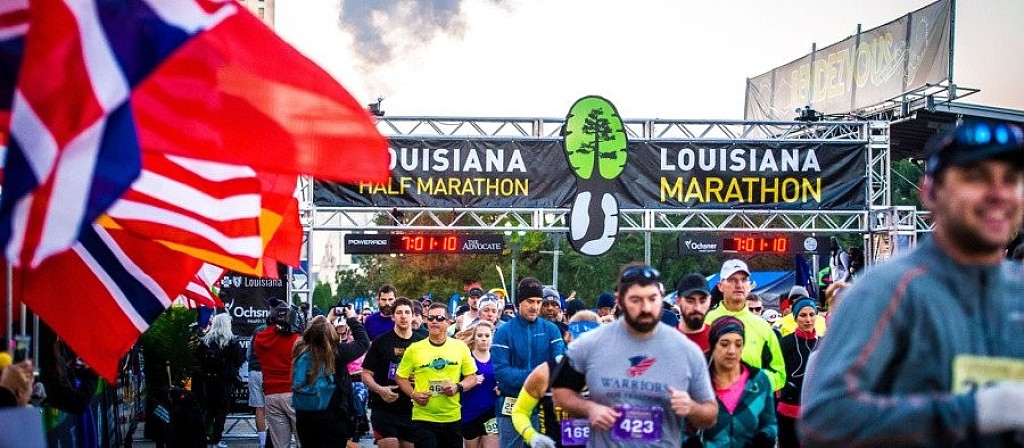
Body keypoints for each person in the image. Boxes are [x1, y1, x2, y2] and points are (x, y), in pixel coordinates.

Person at [800, 120, 1024, 446]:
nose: (999, 194)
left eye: (1012, 179)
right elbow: (825, 420)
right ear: (929, 192)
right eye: (976, 177)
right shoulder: (886, 291)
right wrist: (974, 411)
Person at [551, 264, 718, 447]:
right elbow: (560, 392)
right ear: (619, 301)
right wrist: (589, 409)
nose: (646, 308)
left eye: (652, 299)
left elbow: (710, 414)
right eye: (636, 300)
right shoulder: (590, 344)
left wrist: (692, 408)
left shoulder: (686, 350)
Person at [492, 277, 567, 448]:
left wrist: (538, 379)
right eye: (530, 301)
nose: (535, 306)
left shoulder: (551, 330)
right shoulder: (503, 332)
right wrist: (539, 378)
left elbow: (557, 368)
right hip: (510, 406)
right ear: (519, 303)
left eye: (539, 302)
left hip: (543, 410)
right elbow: (502, 373)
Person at [396, 303, 482, 448]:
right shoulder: (414, 349)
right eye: (430, 318)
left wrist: (457, 386)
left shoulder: (460, 347)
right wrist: (414, 394)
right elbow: (400, 377)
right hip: (423, 417)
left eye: (440, 318)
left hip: (452, 417)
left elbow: (472, 377)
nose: (434, 321)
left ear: (448, 322)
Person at [510, 310, 600, 448]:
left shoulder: (612, 374)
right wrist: (531, 436)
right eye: (579, 339)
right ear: (568, 337)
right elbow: (519, 411)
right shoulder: (545, 373)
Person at [689, 316, 776, 448]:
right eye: (724, 344)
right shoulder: (697, 381)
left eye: (738, 344)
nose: (732, 351)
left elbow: (770, 423)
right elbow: (677, 427)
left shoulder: (759, 380)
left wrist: (766, 436)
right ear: (713, 345)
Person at [704, 259, 786, 391]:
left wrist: (753, 385)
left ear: (749, 286)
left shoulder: (762, 326)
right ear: (720, 286)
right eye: (732, 280)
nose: (739, 285)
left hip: (752, 402)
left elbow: (779, 374)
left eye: (744, 280)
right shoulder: (707, 322)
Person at [292, 310, 369, 447]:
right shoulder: (339, 352)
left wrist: (325, 321)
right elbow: (363, 342)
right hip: (334, 417)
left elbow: (311, 335)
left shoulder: (300, 349)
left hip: (305, 415)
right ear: (331, 332)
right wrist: (352, 318)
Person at [361, 297, 425, 448]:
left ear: (413, 316)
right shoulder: (380, 342)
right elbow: (366, 374)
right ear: (392, 317)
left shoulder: (422, 342)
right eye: (399, 312)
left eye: (407, 312)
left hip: (412, 409)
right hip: (384, 409)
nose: (403, 316)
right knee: (390, 444)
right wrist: (380, 389)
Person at [253, 300, 304, 448]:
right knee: (303, 440)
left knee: (280, 444)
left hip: (271, 395)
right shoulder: (296, 340)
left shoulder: (259, 338)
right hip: (294, 394)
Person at [194, 313, 244, 448]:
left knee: (209, 410)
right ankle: (217, 439)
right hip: (225, 381)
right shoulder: (231, 341)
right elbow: (240, 359)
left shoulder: (206, 340)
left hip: (209, 380)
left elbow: (198, 358)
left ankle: (203, 439)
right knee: (221, 411)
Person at [776, 298, 818, 448]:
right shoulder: (785, 343)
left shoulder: (823, 343)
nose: (808, 320)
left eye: (812, 315)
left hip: (815, 411)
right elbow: (775, 371)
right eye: (803, 315)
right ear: (795, 318)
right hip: (789, 410)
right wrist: (784, 386)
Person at [461, 321, 500, 448]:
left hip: (491, 412)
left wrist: (502, 388)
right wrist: (469, 382)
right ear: (474, 338)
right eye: (480, 335)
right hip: (469, 414)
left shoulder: (498, 360)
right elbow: (457, 387)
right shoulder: (466, 359)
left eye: (487, 336)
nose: (484, 339)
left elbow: (505, 382)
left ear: (492, 338)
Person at [246, 316, 272, 448]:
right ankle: (273, 440)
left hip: (254, 371)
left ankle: (262, 442)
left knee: (259, 408)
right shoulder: (279, 332)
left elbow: (248, 354)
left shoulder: (257, 331)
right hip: (270, 372)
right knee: (274, 408)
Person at [675, 273, 713, 353]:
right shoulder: (665, 341)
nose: (697, 308)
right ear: (678, 301)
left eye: (703, 301)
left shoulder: (720, 340)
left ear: (710, 300)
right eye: (690, 301)